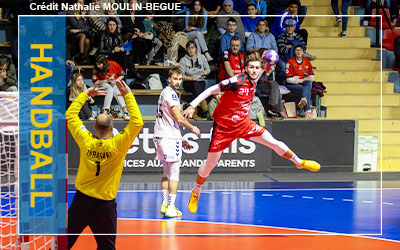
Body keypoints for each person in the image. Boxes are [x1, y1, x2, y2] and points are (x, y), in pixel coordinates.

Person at [183, 53, 320, 214]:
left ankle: (299, 162)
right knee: (210, 164)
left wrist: (270, 59)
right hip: (223, 128)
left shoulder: (257, 77)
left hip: (244, 124)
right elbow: (211, 90)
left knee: (273, 142)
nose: (255, 70)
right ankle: (196, 192)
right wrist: (192, 105)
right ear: (245, 68)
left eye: (257, 68)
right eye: (251, 67)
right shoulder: (237, 81)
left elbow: (267, 65)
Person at [66, 79, 144, 250]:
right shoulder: (118, 145)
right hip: (105, 206)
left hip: (81, 202)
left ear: (94, 127)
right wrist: (128, 96)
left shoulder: (86, 141)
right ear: (112, 127)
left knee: (64, 244)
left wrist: (85, 94)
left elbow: (70, 116)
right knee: (107, 247)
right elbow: (137, 123)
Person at [153, 67, 200, 218]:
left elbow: (170, 121)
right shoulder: (172, 95)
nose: (178, 82)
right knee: (174, 174)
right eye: (175, 78)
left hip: (161, 135)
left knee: (166, 172)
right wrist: (192, 127)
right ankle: (171, 208)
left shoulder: (164, 92)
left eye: (180, 79)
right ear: (169, 79)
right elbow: (178, 118)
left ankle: (164, 204)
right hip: (168, 138)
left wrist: (180, 137)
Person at [92, 54, 130, 120]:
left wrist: (116, 80)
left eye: (99, 64)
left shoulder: (113, 64)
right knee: (110, 89)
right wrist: (107, 80)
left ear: (104, 63)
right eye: (97, 64)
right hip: (103, 83)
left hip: (114, 82)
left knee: (117, 91)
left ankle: (125, 112)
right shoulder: (95, 68)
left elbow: (122, 74)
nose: (98, 66)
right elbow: (96, 82)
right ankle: (105, 111)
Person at [179, 41, 210, 119]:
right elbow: (181, 75)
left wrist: (206, 72)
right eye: (188, 48)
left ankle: (195, 111)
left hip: (200, 81)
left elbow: (208, 69)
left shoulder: (202, 57)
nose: (190, 50)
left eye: (192, 47)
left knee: (197, 86)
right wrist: (191, 78)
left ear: (196, 48)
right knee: (195, 85)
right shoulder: (183, 60)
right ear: (186, 49)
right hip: (188, 82)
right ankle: (204, 109)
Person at [285, 43, 316, 120]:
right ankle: (307, 111)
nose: (298, 52)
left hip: (304, 82)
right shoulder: (290, 62)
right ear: (294, 51)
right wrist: (300, 80)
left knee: (309, 83)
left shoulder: (307, 61)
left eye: (300, 50)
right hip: (292, 84)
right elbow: (288, 79)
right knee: (306, 90)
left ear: (303, 52)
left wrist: (306, 79)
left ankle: (304, 101)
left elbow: (312, 77)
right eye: (297, 50)